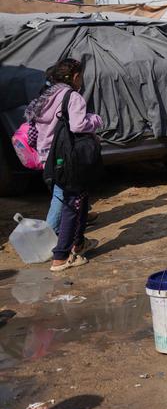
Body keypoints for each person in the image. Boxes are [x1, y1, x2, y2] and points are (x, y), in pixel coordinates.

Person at [28, 59, 101, 272]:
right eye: (81, 77)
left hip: (47, 155)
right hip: (67, 157)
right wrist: (95, 120)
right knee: (71, 202)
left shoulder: (45, 94)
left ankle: (78, 244)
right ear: (75, 77)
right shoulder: (72, 96)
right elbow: (78, 125)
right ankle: (60, 256)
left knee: (76, 198)